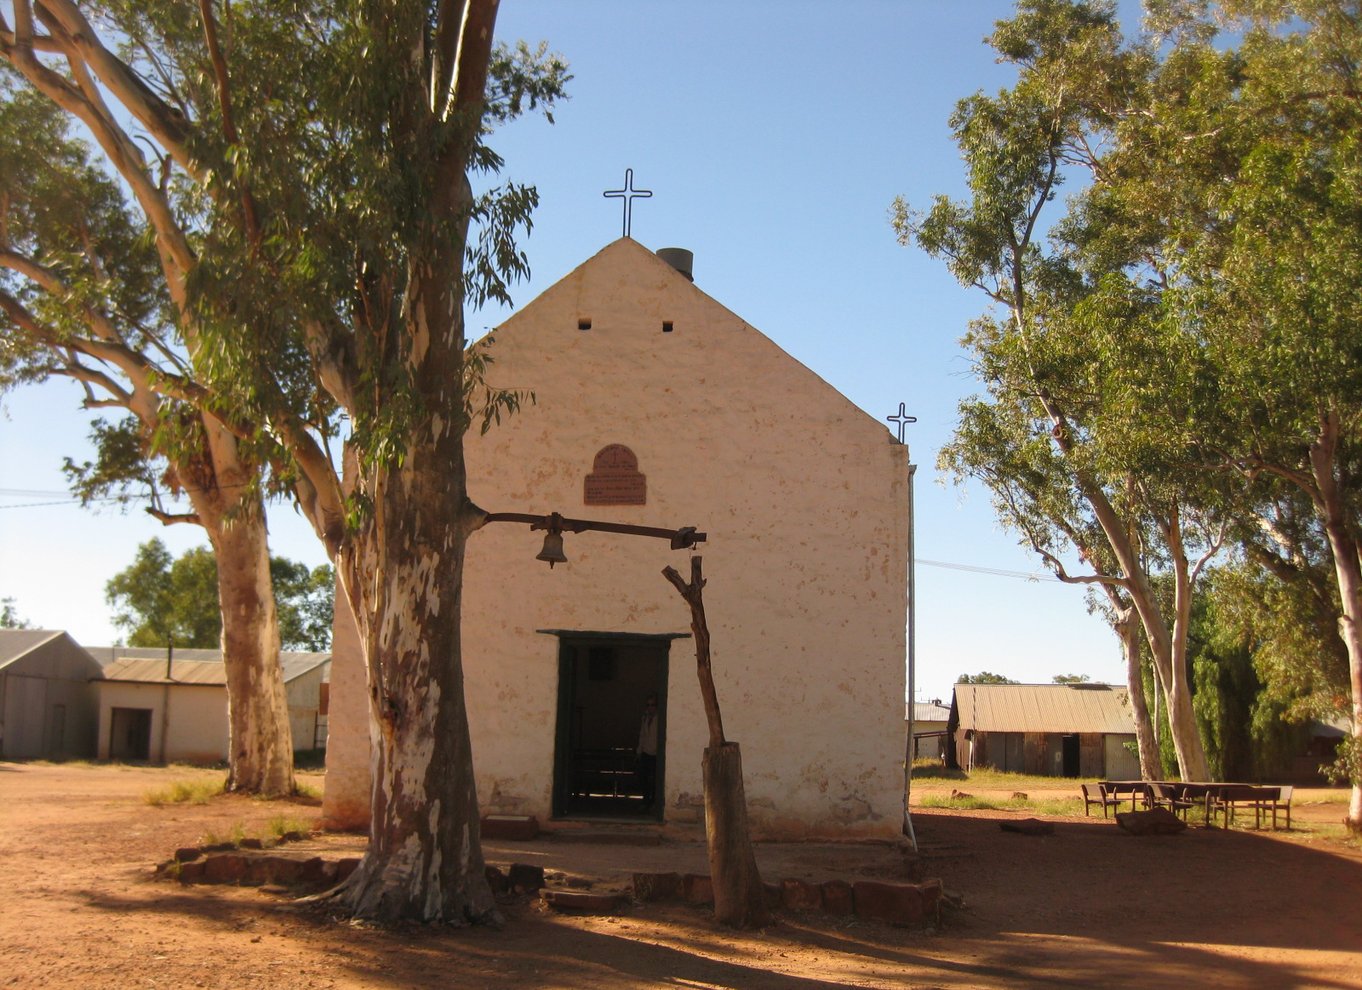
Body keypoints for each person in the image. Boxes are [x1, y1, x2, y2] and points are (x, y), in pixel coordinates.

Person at [636, 693, 659, 808]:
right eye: (648, 705)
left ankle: (653, 802)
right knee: (643, 778)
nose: (650, 707)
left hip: (655, 753)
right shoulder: (645, 718)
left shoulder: (659, 719)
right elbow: (642, 735)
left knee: (654, 779)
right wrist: (639, 750)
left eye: (653, 705)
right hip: (645, 752)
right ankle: (645, 801)